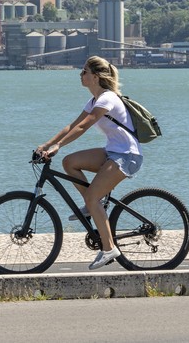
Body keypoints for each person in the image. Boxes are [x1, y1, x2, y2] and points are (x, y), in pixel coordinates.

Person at [35, 55, 143, 271]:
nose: (80, 75)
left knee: (94, 197)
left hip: (127, 156)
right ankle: (92, 206)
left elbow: (84, 126)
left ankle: (109, 248)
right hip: (113, 152)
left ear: (95, 77)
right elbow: (72, 126)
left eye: (84, 71)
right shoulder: (94, 100)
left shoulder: (107, 99)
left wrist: (58, 146)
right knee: (70, 162)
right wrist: (46, 145)